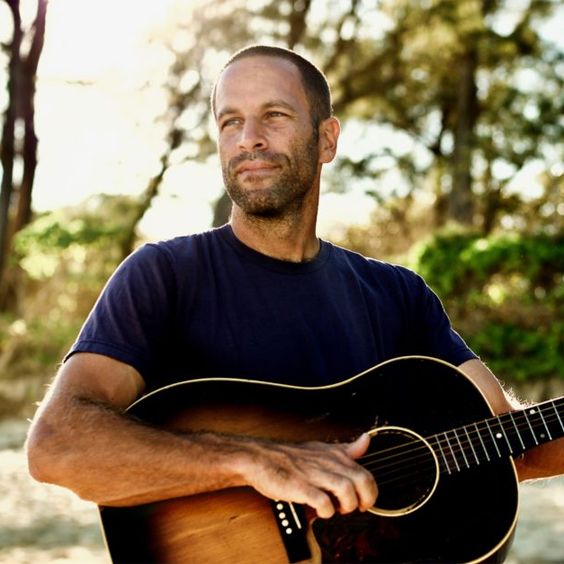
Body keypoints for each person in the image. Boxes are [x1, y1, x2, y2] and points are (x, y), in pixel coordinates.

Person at [26, 45, 564, 525]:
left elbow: (510, 441)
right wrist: (255, 461)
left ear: (326, 139)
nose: (249, 139)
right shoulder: (163, 275)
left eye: (274, 115)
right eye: (230, 122)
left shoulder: (399, 296)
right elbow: (57, 444)